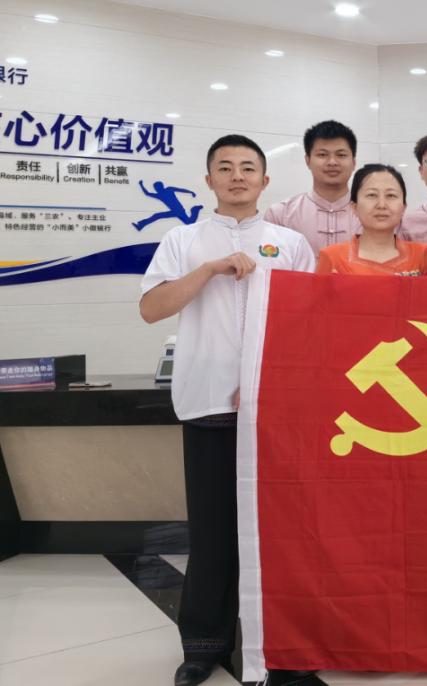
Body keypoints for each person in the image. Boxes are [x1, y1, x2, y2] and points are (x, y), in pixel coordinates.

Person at [138, 136, 317, 686]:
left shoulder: (290, 244)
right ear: (209, 179)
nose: (237, 176)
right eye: (225, 167)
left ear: (265, 181)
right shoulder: (182, 241)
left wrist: (267, 384)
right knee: (213, 532)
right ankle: (203, 646)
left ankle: (285, 644)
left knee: (281, 533)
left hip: (274, 412)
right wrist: (209, 270)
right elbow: (151, 308)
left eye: (248, 168)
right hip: (207, 404)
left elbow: (308, 326)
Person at [264, 119, 361, 255]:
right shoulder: (280, 215)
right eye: (322, 155)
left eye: (341, 155)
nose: (332, 162)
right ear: (308, 161)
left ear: (354, 162)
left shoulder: (373, 215)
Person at [316, 164, 427, 276]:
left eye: (391, 195)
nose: (381, 205)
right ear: (354, 207)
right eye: (372, 195)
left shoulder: (421, 256)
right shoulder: (333, 258)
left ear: (403, 207)